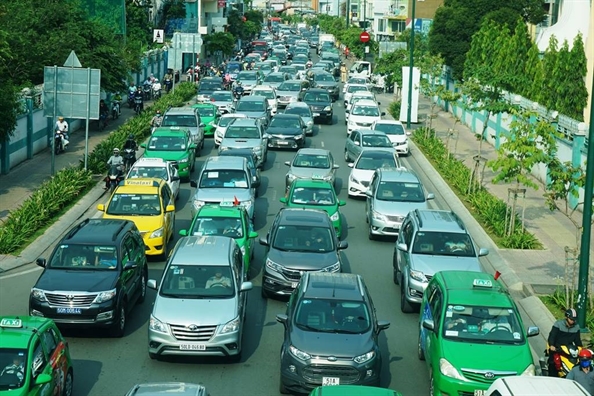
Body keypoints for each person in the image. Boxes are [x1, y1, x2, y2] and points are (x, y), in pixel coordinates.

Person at [548, 308, 582, 377]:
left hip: (568, 349)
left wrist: (581, 348)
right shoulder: (558, 324)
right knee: (553, 361)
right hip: (557, 347)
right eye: (571, 319)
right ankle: (551, 375)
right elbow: (552, 336)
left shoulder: (576, 327)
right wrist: (552, 345)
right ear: (566, 317)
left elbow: (577, 340)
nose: (573, 321)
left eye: (574, 320)